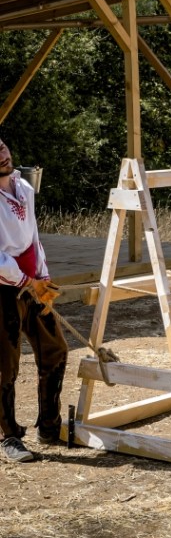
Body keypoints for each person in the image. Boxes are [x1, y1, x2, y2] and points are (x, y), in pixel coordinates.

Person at [0, 137, 67, 463]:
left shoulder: (23, 187)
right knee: (4, 365)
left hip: (34, 284)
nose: (1, 153)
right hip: (3, 288)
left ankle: (49, 426)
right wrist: (23, 279)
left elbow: (33, 238)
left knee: (55, 349)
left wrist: (43, 277)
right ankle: (9, 436)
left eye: (1, 145)